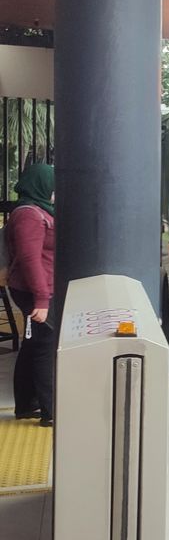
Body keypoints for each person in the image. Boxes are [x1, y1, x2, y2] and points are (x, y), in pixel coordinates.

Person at [6, 164, 56, 427]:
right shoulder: (29, 214)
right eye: (52, 185)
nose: (55, 193)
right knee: (45, 346)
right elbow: (29, 259)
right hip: (32, 290)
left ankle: (26, 404)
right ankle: (50, 411)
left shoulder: (40, 212)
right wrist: (42, 299)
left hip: (37, 288)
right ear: (41, 184)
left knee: (34, 344)